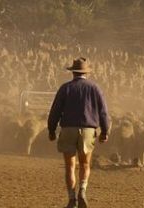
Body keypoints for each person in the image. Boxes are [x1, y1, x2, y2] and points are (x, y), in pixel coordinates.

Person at [48, 57, 110, 208]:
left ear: (73, 73)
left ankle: (71, 198)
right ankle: (82, 190)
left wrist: (51, 129)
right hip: (88, 129)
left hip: (68, 128)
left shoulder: (65, 88)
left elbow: (55, 110)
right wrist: (105, 131)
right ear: (86, 73)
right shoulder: (95, 88)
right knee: (85, 164)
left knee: (70, 166)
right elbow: (103, 112)